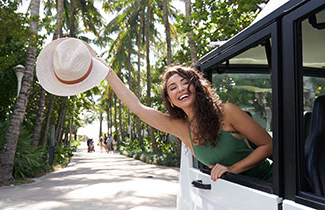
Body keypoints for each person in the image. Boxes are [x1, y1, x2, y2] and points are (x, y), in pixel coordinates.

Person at [36, 38, 272, 182]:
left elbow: (268, 145)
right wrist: (107, 73)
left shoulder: (227, 112)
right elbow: (137, 107)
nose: (180, 88)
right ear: (170, 99)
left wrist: (232, 169)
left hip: (269, 187)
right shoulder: (181, 128)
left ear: (196, 85)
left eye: (184, 81)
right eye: (172, 87)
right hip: (234, 194)